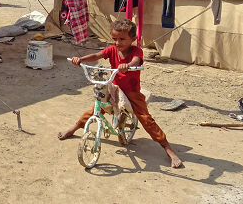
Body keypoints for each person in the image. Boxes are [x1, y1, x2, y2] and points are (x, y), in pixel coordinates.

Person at [58, 19, 183, 168]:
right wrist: (80, 60)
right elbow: (97, 56)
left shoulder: (137, 51)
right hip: (114, 88)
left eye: (122, 39)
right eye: (114, 39)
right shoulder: (112, 50)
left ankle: (168, 150)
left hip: (132, 92)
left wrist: (128, 66)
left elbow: (136, 61)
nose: (117, 42)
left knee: (146, 119)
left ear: (133, 39)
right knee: (96, 108)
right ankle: (75, 127)